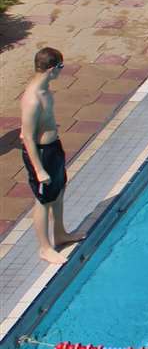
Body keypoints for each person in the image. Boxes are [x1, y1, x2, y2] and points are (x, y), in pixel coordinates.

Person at [20, 47, 77, 264]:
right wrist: (39, 169)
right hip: (41, 155)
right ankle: (44, 248)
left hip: (53, 148)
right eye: (61, 67)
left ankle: (60, 233)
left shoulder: (46, 90)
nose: (62, 71)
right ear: (52, 69)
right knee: (43, 200)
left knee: (60, 189)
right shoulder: (32, 99)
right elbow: (26, 137)